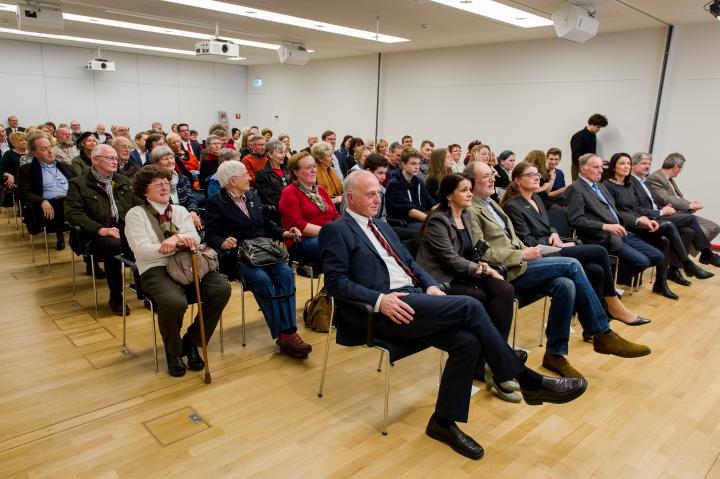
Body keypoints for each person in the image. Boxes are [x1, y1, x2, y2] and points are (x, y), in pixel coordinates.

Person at [320, 169, 588, 460]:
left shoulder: (381, 227)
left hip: (415, 298)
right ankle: (526, 379)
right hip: (382, 312)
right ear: (350, 198)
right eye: (370, 194)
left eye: (378, 192)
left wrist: (431, 285)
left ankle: (443, 423)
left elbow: (410, 262)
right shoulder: (337, 230)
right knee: (470, 305)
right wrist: (380, 300)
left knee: (467, 343)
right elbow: (335, 282)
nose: (378, 198)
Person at [465, 161, 651, 379]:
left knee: (566, 285)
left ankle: (555, 354)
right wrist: (523, 254)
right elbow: (482, 252)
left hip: (526, 257)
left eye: (493, 174)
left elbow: (513, 239)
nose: (493, 178)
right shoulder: (472, 208)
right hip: (506, 270)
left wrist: (529, 249)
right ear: (471, 182)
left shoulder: (492, 203)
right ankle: (601, 332)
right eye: (486, 175)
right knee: (574, 264)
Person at [501, 161, 650, 330]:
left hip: (554, 244)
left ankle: (595, 326)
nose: (537, 178)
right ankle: (613, 304)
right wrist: (559, 245)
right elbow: (526, 239)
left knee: (596, 270)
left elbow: (548, 225)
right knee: (600, 252)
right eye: (531, 175)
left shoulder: (536, 198)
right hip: (540, 253)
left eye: (537, 174)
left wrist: (555, 234)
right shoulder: (513, 205)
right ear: (517, 180)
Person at [416, 174, 521, 402]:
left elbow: (472, 252)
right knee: (482, 298)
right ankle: (496, 367)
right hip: (443, 280)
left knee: (504, 289)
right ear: (449, 195)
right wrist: (482, 270)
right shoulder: (438, 220)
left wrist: (485, 266)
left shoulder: (465, 214)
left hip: (464, 273)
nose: (470, 194)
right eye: (464, 190)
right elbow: (451, 260)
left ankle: (492, 363)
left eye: (470, 189)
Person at [124, 165, 231, 377]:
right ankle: (173, 351)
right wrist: (176, 241)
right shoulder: (136, 214)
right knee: (174, 302)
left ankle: (192, 342)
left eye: (166, 183)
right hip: (156, 268)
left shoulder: (180, 211)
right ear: (145, 190)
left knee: (221, 288)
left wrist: (175, 239)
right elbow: (142, 250)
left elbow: (196, 239)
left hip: (187, 262)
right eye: (158, 184)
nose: (165, 187)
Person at [204, 161, 312, 358]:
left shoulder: (252, 196)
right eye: (245, 174)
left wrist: (284, 233)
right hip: (239, 255)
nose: (250, 177)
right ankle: (283, 333)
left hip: (264, 251)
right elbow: (210, 234)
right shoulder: (216, 202)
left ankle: (289, 331)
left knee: (286, 273)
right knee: (262, 279)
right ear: (233, 180)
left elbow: (266, 224)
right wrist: (222, 242)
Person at [565, 154, 671, 297]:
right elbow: (576, 220)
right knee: (641, 261)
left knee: (658, 256)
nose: (601, 170)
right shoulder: (576, 188)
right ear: (583, 169)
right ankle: (607, 286)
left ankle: (610, 281)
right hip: (602, 236)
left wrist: (640, 219)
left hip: (621, 231)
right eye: (596, 167)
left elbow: (617, 212)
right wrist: (605, 226)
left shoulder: (600, 187)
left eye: (601, 167)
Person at [603, 153, 712, 285]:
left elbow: (637, 208)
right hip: (628, 225)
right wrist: (651, 215)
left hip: (642, 220)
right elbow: (616, 212)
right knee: (673, 224)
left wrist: (650, 215)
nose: (626, 166)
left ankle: (661, 283)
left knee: (669, 238)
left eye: (628, 163)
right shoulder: (607, 186)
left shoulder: (629, 185)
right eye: (622, 163)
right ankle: (688, 262)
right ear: (613, 167)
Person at [65, 143, 140, 315]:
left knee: (144, 239)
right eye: (110, 158)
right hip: (95, 233)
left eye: (116, 158)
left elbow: (139, 205)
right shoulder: (79, 184)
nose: (115, 161)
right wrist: (100, 229)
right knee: (113, 245)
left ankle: (148, 292)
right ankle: (116, 295)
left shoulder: (124, 181)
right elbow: (72, 213)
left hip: (124, 228)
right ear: (96, 160)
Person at [630, 152, 720, 278]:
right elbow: (664, 199)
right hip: (655, 217)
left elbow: (659, 201)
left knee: (689, 231)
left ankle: (675, 270)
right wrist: (666, 210)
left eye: (649, 163)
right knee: (690, 220)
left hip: (669, 212)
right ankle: (703, 256)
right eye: (644, 163)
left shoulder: (645, 181)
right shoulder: (651, 179)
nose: (648, 166)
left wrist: (686, 206)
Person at [278, 151, 339, 267]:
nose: (314, 170)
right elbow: (298, 224)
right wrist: (328, 233)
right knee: (339, 248)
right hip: (303, 241)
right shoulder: (290, 192)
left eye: (314, 166)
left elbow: (336, 216)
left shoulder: (320, 190)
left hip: (328, 236)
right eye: (308, 167)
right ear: (296, 172)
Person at [646, 153, 720, 247]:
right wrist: (689, 206)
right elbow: (665, 199)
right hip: (670, 214)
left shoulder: (670, 179)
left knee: (714, 228)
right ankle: (691, 254)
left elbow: (678, 198)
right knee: (700, 231)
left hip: (682, 213)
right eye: (681, 168)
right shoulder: (655, 178)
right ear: (676, 167)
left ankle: (689, 253)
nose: (680, 170)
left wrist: (691, 206)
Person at [17, 134, 75, 250]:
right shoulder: (26, 170)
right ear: (34, 153)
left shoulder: (66, 166)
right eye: (44, 149)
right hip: (51, 206)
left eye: (50, 147)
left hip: (74, 202)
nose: (50, 151)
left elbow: (80, 184)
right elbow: (23, 192)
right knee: (60, 203)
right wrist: (42, 201)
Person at [149, 146, 202, 231]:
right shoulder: (152, 183)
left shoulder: (183, 178)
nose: (170, 161)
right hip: (164, 221)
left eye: (172, 157)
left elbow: (191, 198)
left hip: (185, 217)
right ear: (155, 163)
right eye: (165, 159)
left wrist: (193, 212)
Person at [386, 148, 435, 231]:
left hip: (418, 220)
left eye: (419, 164)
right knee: (434, 229)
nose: (417, 167)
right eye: (413, 164)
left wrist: (444, 211)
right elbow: (411, 212)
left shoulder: (419, 182)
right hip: (402, 224)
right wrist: (434, 221)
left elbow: (430, 203)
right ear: (403, 164)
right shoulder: (394, 184)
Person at [255, 140, 289, 222]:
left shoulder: (288, 170)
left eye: (284, 152)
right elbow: (269, 197)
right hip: (277, 213)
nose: (283, 155)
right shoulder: (262, 174)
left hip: (293, 207)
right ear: (270, 154)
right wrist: (289, 203)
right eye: (280, 152)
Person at [570, 113, 608, 181]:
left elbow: (591, 153)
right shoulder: (579, 136)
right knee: (579, 188)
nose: (599, 129)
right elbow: (575, 155)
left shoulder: (593, 135)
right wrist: (590, 161)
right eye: (598, 127)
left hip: (590, 167)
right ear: (592, 123)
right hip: (579, 168)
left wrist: (598, 161)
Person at [362, 153, 389, 222]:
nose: (384, 177)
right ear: (368, 171)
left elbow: (382, 217)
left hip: (376, 227)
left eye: (385, 173)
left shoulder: (382, 190)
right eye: (380, 173)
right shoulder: (355, 190)